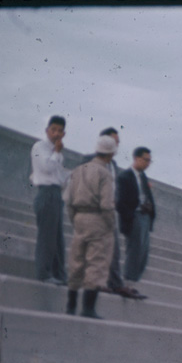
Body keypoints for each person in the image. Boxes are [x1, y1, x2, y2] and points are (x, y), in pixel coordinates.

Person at [83, 128, 145, 300]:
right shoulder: (88, 160)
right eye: (114, 141)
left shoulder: (114, 166)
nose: (117, 145)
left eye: (118, 142)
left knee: (114, 249)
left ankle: (116, 284)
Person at [63, 134, 119, 319]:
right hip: (98, 219)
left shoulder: (78, 170)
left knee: (76, 261)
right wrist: (111, 225)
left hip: (79, 217)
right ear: (111, 154)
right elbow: (106, 205)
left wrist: (75, 219)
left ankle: (70, 305)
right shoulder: (105, 174)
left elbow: (68, 200)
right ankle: (88, 308)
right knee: (96, 263)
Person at [30, 116, 71, 285]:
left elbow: (59, 176)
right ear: (47, 130)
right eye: (53, 129)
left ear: (64, 133)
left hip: (56, 194)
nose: (56, 133)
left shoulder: (57, 152)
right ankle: (43, 273)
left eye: (60, 131)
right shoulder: (39, 147)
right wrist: (56, 153)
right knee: (47, 237)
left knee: (57, 238)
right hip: (45, 193)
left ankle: (60, 274)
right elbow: (46, 168)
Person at [117, 146, 156, 285]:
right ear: (137, 158)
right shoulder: (124, 176)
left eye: (150, 161)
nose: (148, 164)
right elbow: (119, 201)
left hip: (145, 217)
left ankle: (132, 283)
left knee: (142, 254)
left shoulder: (143, 177)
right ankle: (127, 282)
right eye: (146, 160)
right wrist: (131, 217)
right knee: (134, 252)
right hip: (134, 217)